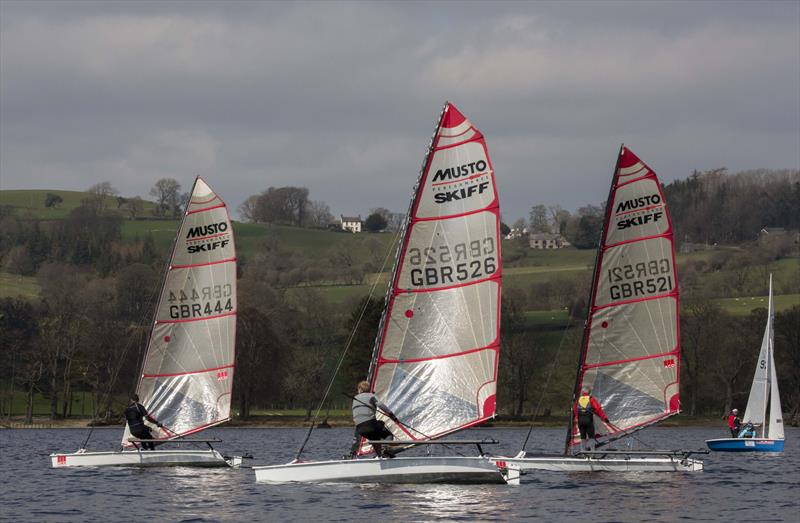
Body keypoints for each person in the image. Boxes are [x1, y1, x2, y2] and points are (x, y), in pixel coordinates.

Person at [351, 380, 399, 458]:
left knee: (374, 438)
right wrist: (391, 415)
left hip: (360, 429)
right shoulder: (371, 396)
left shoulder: (355, 398)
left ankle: (379, 456)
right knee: (388, 435)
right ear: (368, 389)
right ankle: (386, 449)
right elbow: (381, 405)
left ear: (360, 389)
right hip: (370, 425)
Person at [575, 387, 609, 451]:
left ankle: (583, 452)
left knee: (583, 437)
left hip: (580, 422)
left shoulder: (578, 400)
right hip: (588, 421)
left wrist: (578, 417)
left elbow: (575, 410)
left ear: (582, 392)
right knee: (591, 437)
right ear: (589, 392)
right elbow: (598, 409)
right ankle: (592, 452)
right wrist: (604, 418)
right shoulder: (591, 399)